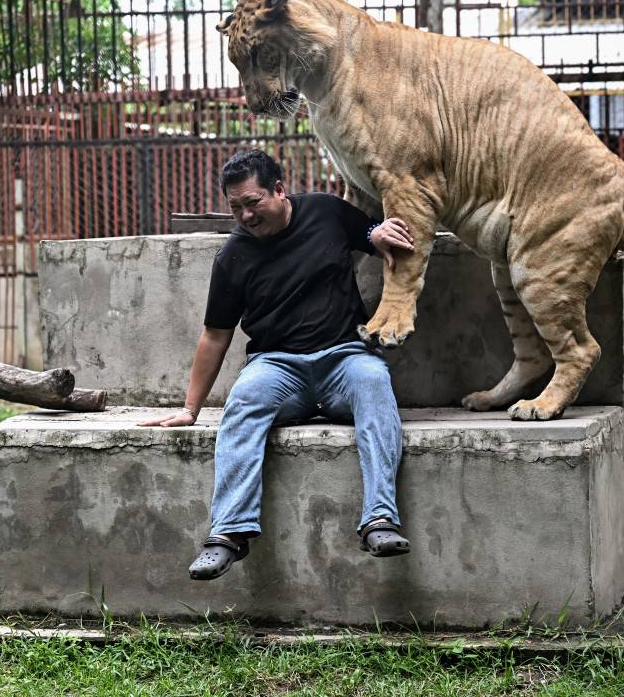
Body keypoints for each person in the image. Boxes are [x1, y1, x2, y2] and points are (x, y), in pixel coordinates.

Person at [139, 149, 416, 581]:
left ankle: (379, 520)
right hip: (279, 368)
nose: (246, 216)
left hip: (344, 358)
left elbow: (367, 233)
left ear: (280, 190)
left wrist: (377, 235)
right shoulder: (233, 256)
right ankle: (228, 533)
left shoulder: (325, 211)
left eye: (253, 202)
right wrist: (190, 409)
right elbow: (215, 334)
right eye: (236, 207)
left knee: (374, 380)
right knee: (245, 397)